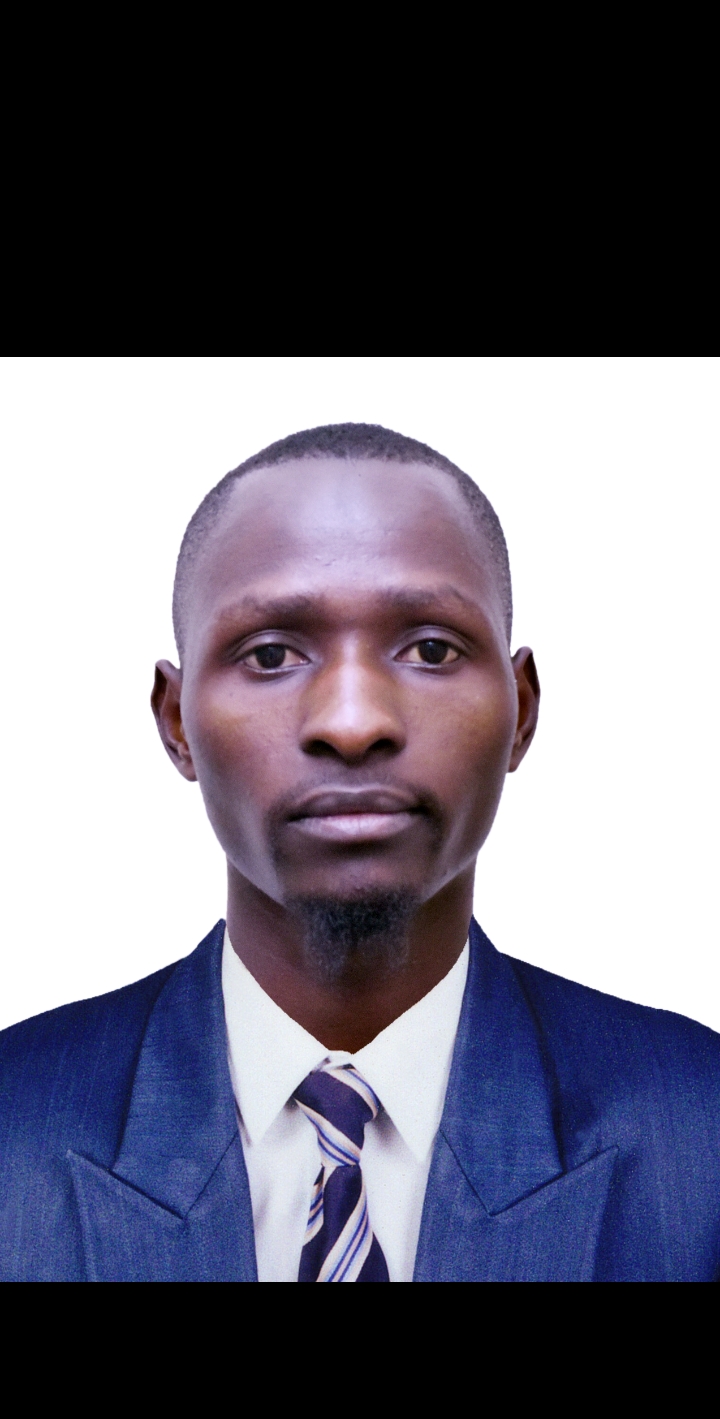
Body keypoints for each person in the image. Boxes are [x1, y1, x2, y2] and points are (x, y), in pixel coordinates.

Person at [2, 422, 720, 1282]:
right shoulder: (14, 1127)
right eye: (271, 654)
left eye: (430, 649)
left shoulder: (702, 1136)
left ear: (522, 712)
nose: (352, 722)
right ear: (175, 721)